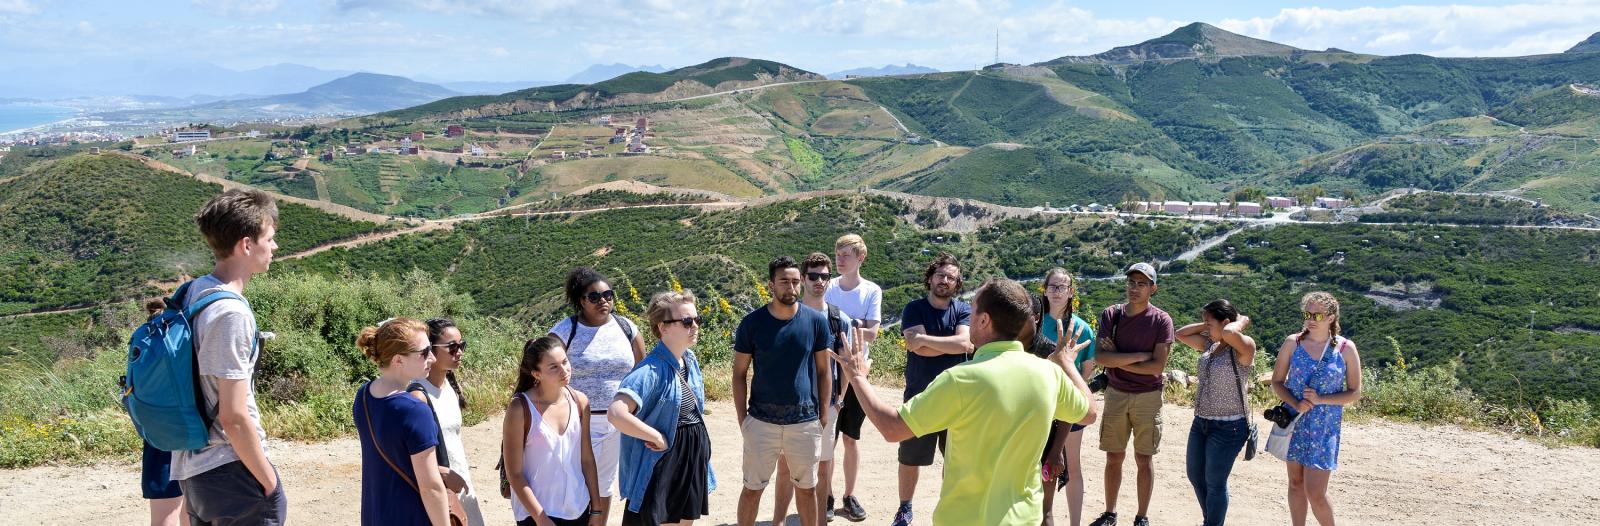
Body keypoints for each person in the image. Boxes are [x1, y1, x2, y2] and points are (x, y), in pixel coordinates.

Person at [830, 278, 1097, 525]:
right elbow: (1088, 414)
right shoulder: (1047, 373)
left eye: (973, 310)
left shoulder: (961, 379)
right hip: (1024, 518)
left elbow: (892, 427)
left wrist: (857, 376)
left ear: (984, 321)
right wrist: (1066, 364)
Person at [172, 188, 287, 525]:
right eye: (270, 238)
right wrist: (268, 479)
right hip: (231, 471)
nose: (275, 247)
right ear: (246, 245)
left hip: (195, 472)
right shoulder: (229, 313)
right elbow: (234, 416)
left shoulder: (194, 292)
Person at [733, 256, 833, 526]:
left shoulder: (815, 322)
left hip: (804, 421)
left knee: (807, 489)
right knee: (752, 489)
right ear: (770, 285)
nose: (791, 287)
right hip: (761, 420)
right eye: (784, 282)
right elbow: (739, 373)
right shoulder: (752, 323)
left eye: (795, 281)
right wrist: (743, 419)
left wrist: (823, 415)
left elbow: (824, 371)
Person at [548, 267, 646, 524]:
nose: (603, 301)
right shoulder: (563, 332)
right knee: (573, 482)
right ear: (581, 301)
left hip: (618, 422)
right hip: (578, 421)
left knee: (604, 485)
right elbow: (544, 371)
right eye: (594, 297)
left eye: (608, 295)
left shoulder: (627, 328)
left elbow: (642, 373)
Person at [610, 290, 716, 526]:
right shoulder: (650, 370)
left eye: (697, 320)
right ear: (663, 327)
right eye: (687, 321)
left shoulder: (689, 359)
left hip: (690, 453)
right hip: (665, 459)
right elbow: (616, 413)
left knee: (684, 521)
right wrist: (656, 436)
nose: (695, 326)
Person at [1090, 262, 1175, 526]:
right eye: (1131, 283)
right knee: (1113, 456)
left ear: (1153, 288)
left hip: (1148, 396)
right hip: (1116, 392)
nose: (1134, 288)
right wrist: (1139, 356)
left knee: (1143, 458)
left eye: (1142, 284)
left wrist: (1119, 359)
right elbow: (1102, 357)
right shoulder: (1112, 315)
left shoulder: (1161, 320)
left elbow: (1157, 368)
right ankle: (1110, 513)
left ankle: (1141, 517)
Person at [892, 252, 973, 526]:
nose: (945, 280)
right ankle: (905, 508)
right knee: (910, 457)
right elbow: (919, 349)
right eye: (940, 275)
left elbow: (963, 345)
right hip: (920, 395)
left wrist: (924, 340)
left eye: (951, 277)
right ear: (930, 278)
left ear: (957, 282)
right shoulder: (913, 308)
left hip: (957, 398)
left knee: (955, 460)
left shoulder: (963, 309)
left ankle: (951, 510)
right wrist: (948, 344)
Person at [772, 253, 854, 524]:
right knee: (785, 468)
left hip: (826, 405)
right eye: (813, 276)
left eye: (825, 276)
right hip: (791, 405)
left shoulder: (838, 319)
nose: (819, 281)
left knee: (823, 466)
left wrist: (839, 399)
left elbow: (846, 364)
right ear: (803, 280)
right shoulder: (787, 314)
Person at [1269, 292, 1363, 526]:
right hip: (1295, 421)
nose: (1311, 319)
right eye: (1308, 313)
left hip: (1324, 427)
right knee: (1295, 484)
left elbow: (1355, 392)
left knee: (1316, 493)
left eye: (1318, 315)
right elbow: (1277, 382)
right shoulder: (1293, 343)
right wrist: (1295, 402)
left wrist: (1321, 400)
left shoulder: (1345, 349)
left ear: (1331, 317)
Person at [353, 318, 450, 526]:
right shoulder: (415, 411)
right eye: (424, 353)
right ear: (398, 360)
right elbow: (430, 487)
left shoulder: (363, 396)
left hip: (375, 516)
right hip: (412, 517)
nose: (432, 358)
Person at [502, 335, 603, 526]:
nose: (564, 370)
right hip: (536, 512)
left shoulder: (580, 401)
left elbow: (587, 459)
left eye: (565, 362)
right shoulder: (520, 408)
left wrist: (596, 508)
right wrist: (541, 518)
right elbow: (514, 473)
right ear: (536, 374)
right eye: (553, 367)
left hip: (578, 507)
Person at [1174, 300, 1256, 526]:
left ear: (1227, 323)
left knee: (1215, 482)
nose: (1206, 327)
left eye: (1210, 323)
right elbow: (1180, 334)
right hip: (1201, 422)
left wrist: (1240, 322)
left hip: (1229, 426)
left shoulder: (1244, 347)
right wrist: (1207, 326)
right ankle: (1211, 520)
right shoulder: (1211, 344)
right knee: (1195, 475)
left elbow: (1230, 332)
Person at [823, 234, 880, 522]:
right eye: (838, 253)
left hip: (858, 373)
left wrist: (843, 321)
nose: (840, 258)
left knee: (851, 438)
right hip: (829, 372)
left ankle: (849, 494)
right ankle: (828, 495)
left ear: (861, 258)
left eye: (846, 254)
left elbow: (873, 332)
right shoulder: (827, 286)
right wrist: (856, 324)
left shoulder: (871, 290)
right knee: (829, 438)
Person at [1038, 268, 1097, 526]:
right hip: (1038, 404)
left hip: (1068, 406)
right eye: (1053, 286)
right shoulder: (1034, 322)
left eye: (1063, 287)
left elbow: (1085, 374)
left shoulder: (1083, 329)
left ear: (1071, 292)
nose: (1057, 291)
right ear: (1045, 289)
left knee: (1072, 465)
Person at [419, 318, 486, 526]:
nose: (459, 352)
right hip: (437, 487)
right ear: (430, 350)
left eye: (461, 345)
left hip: (460, 482)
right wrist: (443, 474)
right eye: (452, 347)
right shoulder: (417, 393)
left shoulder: (450, 386)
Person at [139, 300, 190, 526]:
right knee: (192, 513)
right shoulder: (184, 339)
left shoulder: (144, 341)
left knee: (163, 516)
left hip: (157, 435)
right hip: (191, 430)